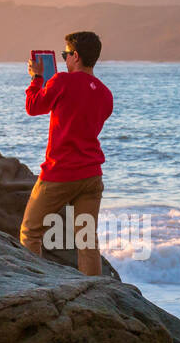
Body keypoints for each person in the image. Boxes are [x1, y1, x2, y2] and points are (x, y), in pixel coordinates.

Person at [20, 31, 113, 276]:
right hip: (91, 175)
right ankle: (95, 294)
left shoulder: (61, 81)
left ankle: (33, 285)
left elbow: (33, 107)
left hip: (60, 172)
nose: (64, 60)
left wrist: (37, 78)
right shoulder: (105, 94)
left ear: (76, 56)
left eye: (65, 55)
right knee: (86, 240)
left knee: (30, 232)